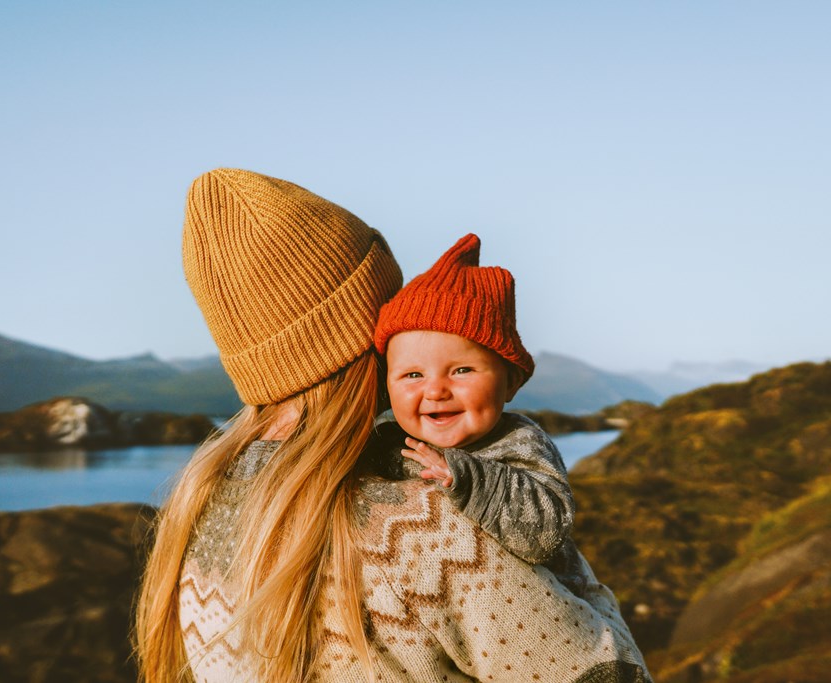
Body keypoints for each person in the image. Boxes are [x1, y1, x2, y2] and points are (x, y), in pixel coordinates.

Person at [134, 168, 650, 682]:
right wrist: (573, 579)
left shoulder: (199, 511)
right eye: (391, 311)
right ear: (362, 338)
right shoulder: (421, 530)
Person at [370, 233, 576, 571]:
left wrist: (467, 477)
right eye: (413, 376)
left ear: (510, 382)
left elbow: (547, 535)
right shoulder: (385, 439)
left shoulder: (521, 443)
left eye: (462, 370)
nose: (436, 391)